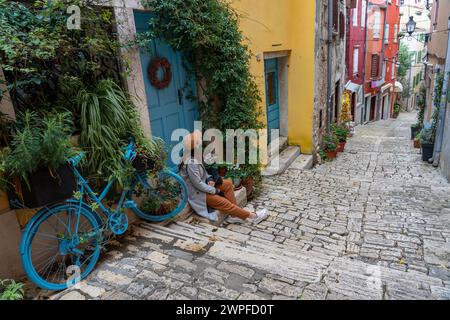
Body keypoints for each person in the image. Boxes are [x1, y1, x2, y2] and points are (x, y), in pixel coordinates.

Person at [179, 130, 269, 224]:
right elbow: (197, 184)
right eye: (199, 140)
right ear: (195, 145)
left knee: (227, 184)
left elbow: (203, 172)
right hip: (197, 193)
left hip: (203, 186)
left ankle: (234, 216)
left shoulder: (195, 155)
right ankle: (253, 216)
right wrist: (214, 190)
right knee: (224, 203)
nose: (202, 142)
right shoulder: (191, 162)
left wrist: (209, 178)